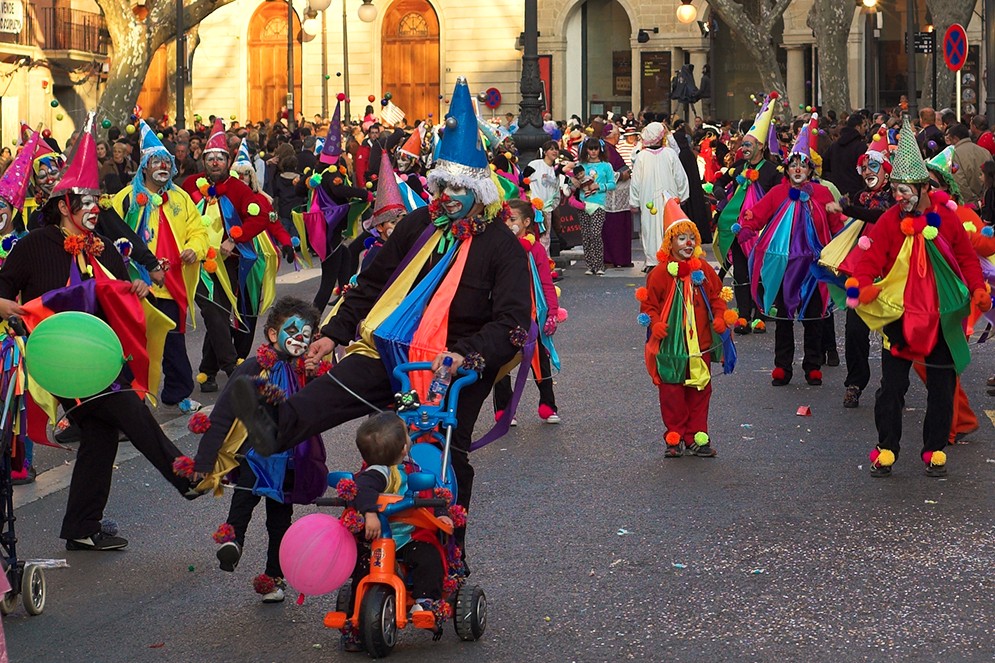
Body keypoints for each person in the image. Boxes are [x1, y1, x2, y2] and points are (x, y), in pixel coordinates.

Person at [230, 77, 532, 562]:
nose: (448, 196)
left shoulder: (503, 247)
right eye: (443, 185)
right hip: (392, 349)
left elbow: (512, 323)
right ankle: (252, 446)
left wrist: (465, 356)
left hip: (455, 366)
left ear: (479, 190)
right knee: (320, 398)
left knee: (444, 453)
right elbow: (370, 285)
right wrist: (333, 334)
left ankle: (448, 553)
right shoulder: (418, 224)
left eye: (459, 187)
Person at [0, 115, 199, 550]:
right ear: (63, 205)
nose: (95, 208)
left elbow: (120, 297)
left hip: (102, 355)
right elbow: (2, 288)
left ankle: (81, 526)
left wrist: (137, 288)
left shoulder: (104, 248)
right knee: (130, 411)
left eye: (97, 200)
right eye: (85, 200)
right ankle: (187, 476)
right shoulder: (33, 245)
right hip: (60, 359)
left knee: (101, 436)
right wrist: (6, 305)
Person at [851, 117, 988, 478]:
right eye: (896, 191)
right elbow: (871, 258)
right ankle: (886, 448)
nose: (900, 197)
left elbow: (966, 258)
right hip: (900, 315)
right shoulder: (889, 220)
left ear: (925, 186)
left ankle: (934, 449)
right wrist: (863, 283)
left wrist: (977, 288)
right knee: (892, 388)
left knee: (942, 385)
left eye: (906, 190)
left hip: (941, 314)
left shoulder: (946, 218)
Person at [191, 296, 327, 603]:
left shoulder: (306, 372)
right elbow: (224, 412)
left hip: (289, 460)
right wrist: (205, 457)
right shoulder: (254, 367)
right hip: (255, 453)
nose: (299, 340)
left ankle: (273, 578)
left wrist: (315, 376)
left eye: (306, 335)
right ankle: (233, 541)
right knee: (244, 497)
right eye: (292, 331)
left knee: (279, 520)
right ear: (272, 334)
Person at [182, 118, 294, 394]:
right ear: (203, 161)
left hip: (228, 264)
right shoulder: (190, 184)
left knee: (219, 315)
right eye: (211, 158)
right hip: (195, 262)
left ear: (227, 161)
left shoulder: (238, 188)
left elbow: (262, 217)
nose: (215, 163)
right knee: (213, 312)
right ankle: (233, 368)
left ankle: (207, 372)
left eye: (220, 158)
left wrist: (235, 238)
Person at [736, 114, 844, 387]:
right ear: (787, 169)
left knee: (813, 317)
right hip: (785, 266)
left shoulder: (822, 194)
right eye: (793, 165)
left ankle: (812, 365)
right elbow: (756, 214)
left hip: (814, 266)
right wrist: (745, 227)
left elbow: (836, 226)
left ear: (810, 170)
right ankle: (782, 366)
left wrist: (843, 245)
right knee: (784, 318)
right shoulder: (777, 192)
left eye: (802, 165)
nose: (797, 169)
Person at [110, 121, 209, 414]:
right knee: (134, 345)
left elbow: (199, 231)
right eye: (156, 161)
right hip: (138, 285)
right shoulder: (126, 198)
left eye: (166, 162)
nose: (163, 166)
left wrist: (194, 249)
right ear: (144, 166)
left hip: (172, 284)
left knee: (174, 343)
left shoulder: (180, 197)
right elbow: (110, 234)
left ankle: (177, 394)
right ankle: (132, 399)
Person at [340, 412, 454, 651]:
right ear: (404, 448)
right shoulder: (378, 473)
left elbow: (430, 492)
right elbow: (362, 489)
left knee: (428, 556)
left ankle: (425, 601)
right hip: (376, 540)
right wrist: (370, 513)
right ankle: (354, 623)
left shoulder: (409, 469)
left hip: (406, 537)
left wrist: (441, 511)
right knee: (362, 573)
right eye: (407, 435)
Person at [637, 198, 735, 458]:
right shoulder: (660, 273)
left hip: (700, 344)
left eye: (692, 238)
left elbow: (717, 297)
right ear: (670, 243)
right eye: (682, 238)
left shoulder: (703, 269)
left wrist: (719, 316)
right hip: (670, 346)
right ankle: (675, 435)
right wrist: (656, 323)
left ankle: (696, 436)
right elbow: (649, 304)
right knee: (671, 391)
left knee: (700, 390)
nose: (688, 243)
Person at [820, 129, 896, 408]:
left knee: (892, 333)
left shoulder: (896, 200)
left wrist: (846, 209)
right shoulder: (859, 197)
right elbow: (845, 206)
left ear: (886, 170)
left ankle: (893, 386)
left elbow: (879, 216)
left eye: (873, 166)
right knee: (854, 331)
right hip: (861, 275)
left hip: (891, 276)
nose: (867, 172)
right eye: (864, 167)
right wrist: (838, 206)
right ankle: (855, 383)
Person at [713, 94, 781, 333]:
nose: (744, 148)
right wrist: (722, 196)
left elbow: (780, 197)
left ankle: (759, 315)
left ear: (761, 146)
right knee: (741, 273)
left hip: (761, 231)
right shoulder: (739, 167)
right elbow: (719, 182)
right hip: (737, 229)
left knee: (759, 272)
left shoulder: (773, 171)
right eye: (743, 145)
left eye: (749, 145)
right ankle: (743, 316)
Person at [492, 199, 562, 424]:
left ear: (526, 222)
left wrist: (552, 312)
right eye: (504, 219)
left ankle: (547, 405)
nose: (507, 223)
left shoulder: (536, 249)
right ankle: (504, 410)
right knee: (501, 361)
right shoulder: (498, 247)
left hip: (531, 313)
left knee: (540, 359)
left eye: (512, 219)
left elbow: (546, 282)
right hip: (503, 314)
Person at [629, 122, 688, 273]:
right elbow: (680, 177)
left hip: (648, 199)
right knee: (669, 227)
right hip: (670, 199)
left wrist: (634, 201)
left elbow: (635, 181)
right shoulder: (670, 154)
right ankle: (670, 257)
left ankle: (652, 261)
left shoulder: (641, 156)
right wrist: (682, 195)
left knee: (649, 229)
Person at [572, 138, 616, 276]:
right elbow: (571, 181)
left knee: (596, 233)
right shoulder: (580, 165)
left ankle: (599, 265)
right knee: (586, 235)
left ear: (600, 149)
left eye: (595, 148)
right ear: (586, 150)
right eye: (590, 149)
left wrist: (600, 186)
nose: (593, 151)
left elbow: (613, 184)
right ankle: (590, 265)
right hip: (583, 204)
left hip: (599, 204)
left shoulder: (606, 166)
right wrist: (574, 183)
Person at [946, 123, 992, 209]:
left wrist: (972, 201)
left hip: (969, 205)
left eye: (950, 139)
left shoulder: (955, 154)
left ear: (955, 138)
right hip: (987, 202)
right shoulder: (985, 152)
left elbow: (959, 181)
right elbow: (991, 177)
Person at [823, 113, 867, 199]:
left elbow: (824, 166)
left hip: (838, 192)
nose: (866, 128)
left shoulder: (834, 146)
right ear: (858, 127)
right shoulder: (861, 147)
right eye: (864, 126)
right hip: (856, 193)